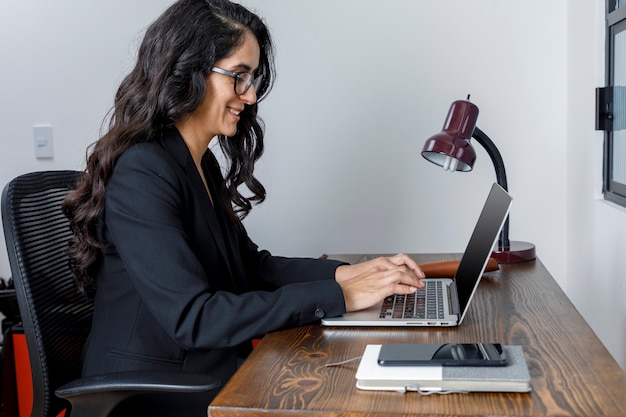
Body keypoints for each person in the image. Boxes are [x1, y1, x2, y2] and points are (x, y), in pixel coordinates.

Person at [62, 0, 424, 410]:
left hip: (205, 369)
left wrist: (347, 274)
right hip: (150, 391)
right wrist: (340, 296)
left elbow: (251, 267)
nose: (250, 96)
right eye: (238, 77)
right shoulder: (143, 172)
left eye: (252, 79)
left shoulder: (198, 162)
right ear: (188, 70)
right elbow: (195, 318)